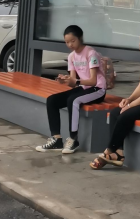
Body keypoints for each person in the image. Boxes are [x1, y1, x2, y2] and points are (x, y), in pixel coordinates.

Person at [90, 26, 140, 170]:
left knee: (125, 114)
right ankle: (119, 153)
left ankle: (108, 151)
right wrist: (129, 100)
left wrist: (130, 106)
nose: (139, 43)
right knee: (115, 112)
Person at [36, 25, 106, 155]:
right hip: (83, 88)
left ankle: (73, 139)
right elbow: (73, 82)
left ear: (80, 38)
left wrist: (76, 81)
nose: (70, 45)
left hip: (97, 89)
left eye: (73, 41)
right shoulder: (71, 57)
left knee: (73, 100)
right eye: (67, 42)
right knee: (52, 100)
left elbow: (93, 81)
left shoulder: (91, 53)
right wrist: (65, 80)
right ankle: (56, 139)